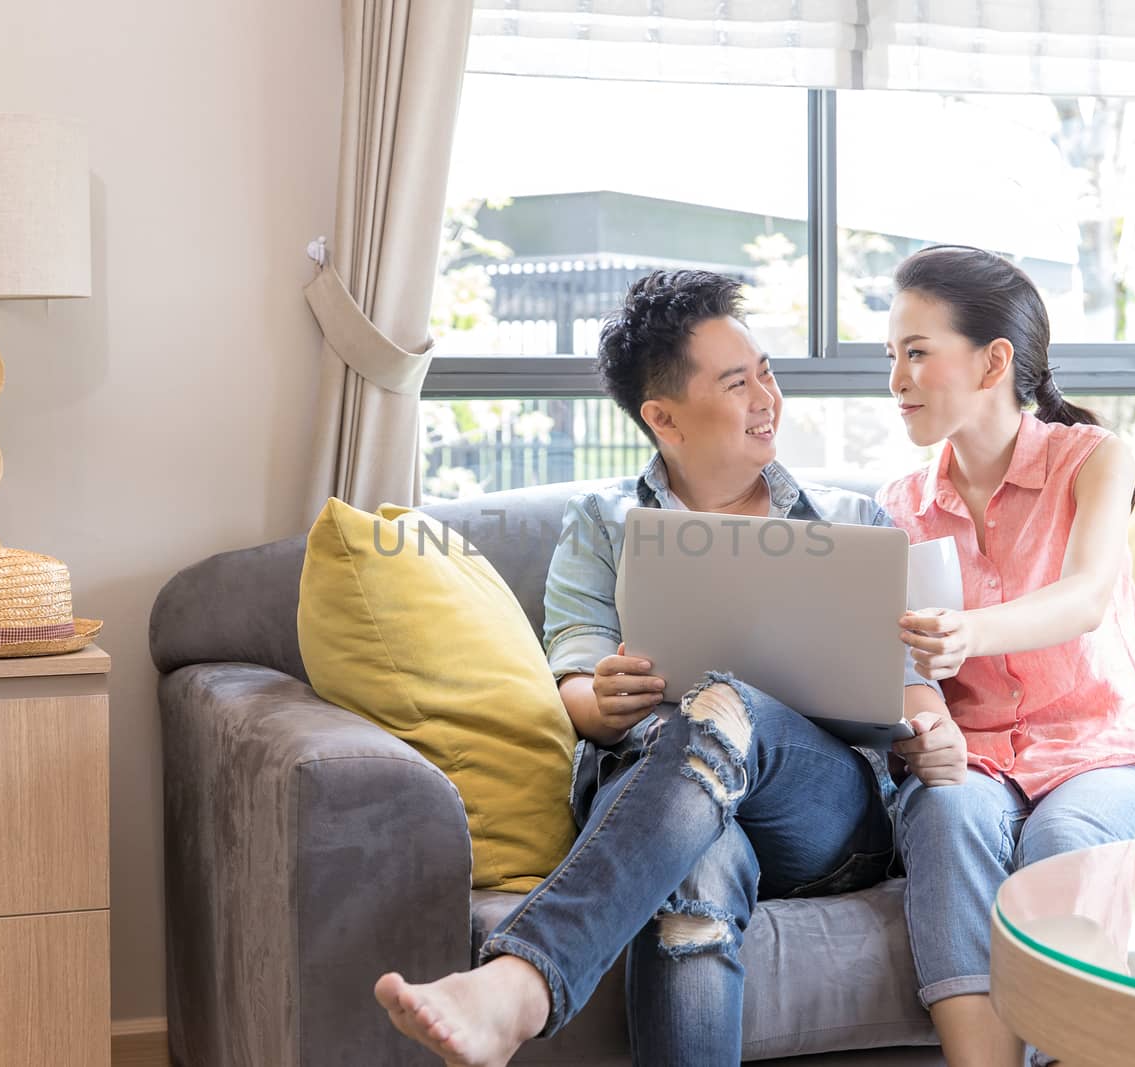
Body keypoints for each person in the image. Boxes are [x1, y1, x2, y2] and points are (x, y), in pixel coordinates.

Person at [375, 269, 964, 1067]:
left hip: (822, 816)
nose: (766, 397)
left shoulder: (851, 521)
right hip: (661, 795)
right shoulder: (606, 524)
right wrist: (599, 697)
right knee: (698, 868)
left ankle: (518, 981)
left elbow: (911, 685)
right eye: (735, 382)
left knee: (725, 701)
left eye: (766, 372)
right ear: (663, 416)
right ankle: (521, 981)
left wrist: (932, 730)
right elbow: (574, 676)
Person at [876, 245, 1135, 1067]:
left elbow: (1085, 595)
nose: (897, 380)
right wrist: (925, 722)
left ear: (993, 361)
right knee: (942, 812)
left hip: (1109, 753)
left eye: (917, 352)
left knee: (1068, 835)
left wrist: (970, 631)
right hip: (978, 762)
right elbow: (901, 665)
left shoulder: (1092, 460)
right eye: (892, 357)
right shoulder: (897, 506)